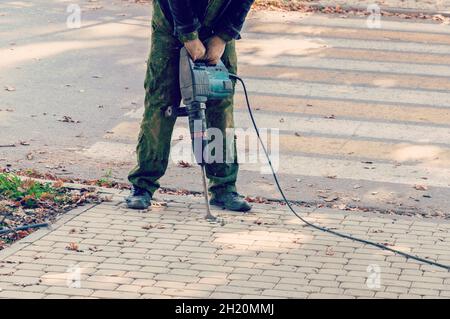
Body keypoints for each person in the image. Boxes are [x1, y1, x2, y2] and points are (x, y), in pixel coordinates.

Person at [127, 0, 255, 212]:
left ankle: (224, 188)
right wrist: (189, 35)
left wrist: (223, 36)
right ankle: (143, 185)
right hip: (171, 22)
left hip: (218, 21)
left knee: (219, 103)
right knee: (161, 105)